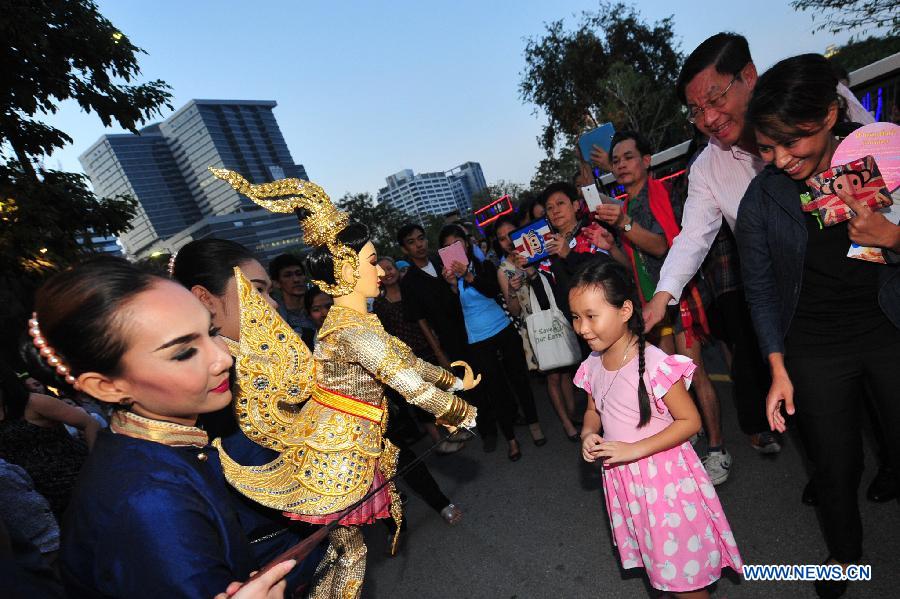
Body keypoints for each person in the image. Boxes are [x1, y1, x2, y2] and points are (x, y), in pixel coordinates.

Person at [209, 169, 478, 598]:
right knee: (346, 556)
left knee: (345, 554)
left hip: (352, 442)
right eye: (372, 262)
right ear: (347, 269)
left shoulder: (353, 321)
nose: (381, 268)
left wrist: (452, 381)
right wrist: (460, 411)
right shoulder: (353, 331)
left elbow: (406, 362)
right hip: (340, 454)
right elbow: (407, 384)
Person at [639, 32, 874, 464]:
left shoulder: (817, 105)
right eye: (696, 111)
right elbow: (693, 237)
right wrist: (661, 298)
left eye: (716, 98)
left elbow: (874, 151)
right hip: (792, 306)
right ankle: (826, 474)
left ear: (748, 76)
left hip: (863, 272)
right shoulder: (707, 168)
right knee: (806, 399)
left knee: (879, 391)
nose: (709, 118)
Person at [23, 256, 297, 597]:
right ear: (107, 387)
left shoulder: (158, 450)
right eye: (184, 352)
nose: (223, 358)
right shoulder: (151, 501)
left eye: (211, 332)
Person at [735, 53, 900, 599]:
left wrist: (891, 236)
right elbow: (758, 289)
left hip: (887, 324)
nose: (780, 159)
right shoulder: (762, 198)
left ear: (830, 115)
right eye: (766, 146)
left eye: (792, 141)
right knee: (834, 465)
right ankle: (844, 559)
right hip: (813, 346)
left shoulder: (883, 155)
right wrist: (777, 367)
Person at [571, 261, 742, 598]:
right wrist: (588, 434)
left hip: (666, 487)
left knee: (685, 578)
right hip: (631, 486)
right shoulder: (593, 364)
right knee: (662, 565)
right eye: (575, 317)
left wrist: (633, 450)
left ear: (624, 310)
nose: (582, 328)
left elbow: (690, 422)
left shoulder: (655, 365)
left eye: (591, 316)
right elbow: (593, 411)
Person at [171, 238, 325, 590]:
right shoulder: (210, 386)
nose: (271, 304)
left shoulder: (258, 364)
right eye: (257, 290)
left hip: (303, 539)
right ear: (204, 299)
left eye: (270, 291)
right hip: (271, 559)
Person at [596, 129, 737, 484]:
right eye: (616, 161)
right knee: (669, 380)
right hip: (650, 304)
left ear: (646, 161)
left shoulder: (661, 194)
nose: (622, 165)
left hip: (679, 298)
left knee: (695, 372)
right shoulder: (625, 207)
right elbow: (633, 267)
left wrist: (623, 224)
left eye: (629, 157)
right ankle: (692, 432)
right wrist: (609, 245)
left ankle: (718, 449)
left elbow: (663, 247)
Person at [439, 224, 545, 459]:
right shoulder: (447, 279)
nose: (452, 250)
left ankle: (534, 425)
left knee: (520, 380)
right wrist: (452, 287)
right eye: (446, 247)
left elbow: (492, 291)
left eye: (456, 244)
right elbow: (449, 315)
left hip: (503, 329)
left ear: (465, 244)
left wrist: (468, 275)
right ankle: (511, 439)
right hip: (478, 340)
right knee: (496, 390)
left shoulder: (483, 265)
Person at [493, 215, 580, 441]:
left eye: (511, 234)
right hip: (535, 328)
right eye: (502, 239)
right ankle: (567, 423)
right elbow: (513, 310)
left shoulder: (539, 250)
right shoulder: (504, 270)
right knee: (552, 375)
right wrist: (512, 290)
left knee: (565, 370)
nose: (508, 241)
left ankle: (572, 413)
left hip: (556, 316)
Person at [374, 257, 465, 455]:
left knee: (441, 390)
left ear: (397, 270)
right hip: (405, 358)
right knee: (420, 400)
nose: (387, 272)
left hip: (428, 347)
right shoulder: (380, 304)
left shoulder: (411, 292)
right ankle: (437, 441)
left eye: (390, 268)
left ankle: (453, 429)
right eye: (382, 271)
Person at [0, 363, 98, 519]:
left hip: (77, 483)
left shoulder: (33, 402)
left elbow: (89, 423)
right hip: (38, 501)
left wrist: (96, 466)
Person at [539, 182, 617, 319]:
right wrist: (532, 275)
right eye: (549, 208)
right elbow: (548, 299)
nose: (555, 211)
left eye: (560, 203)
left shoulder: (592, 231)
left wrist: (569, 255)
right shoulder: (547, 249)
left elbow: (606, 270)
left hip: (606, 312)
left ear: (575, 206)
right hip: (573, 324)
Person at [269, 253, 315, 336]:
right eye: (288, 275)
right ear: (276, 283)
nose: (296, 280)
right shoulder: (275, 315)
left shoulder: (318, 305)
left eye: (299, 274)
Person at [301, 284, 333, 350]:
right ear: (308, 314)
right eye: (316, 310)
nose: (325, 313)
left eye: (329, 307)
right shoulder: (304, 344)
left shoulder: (352, 338)